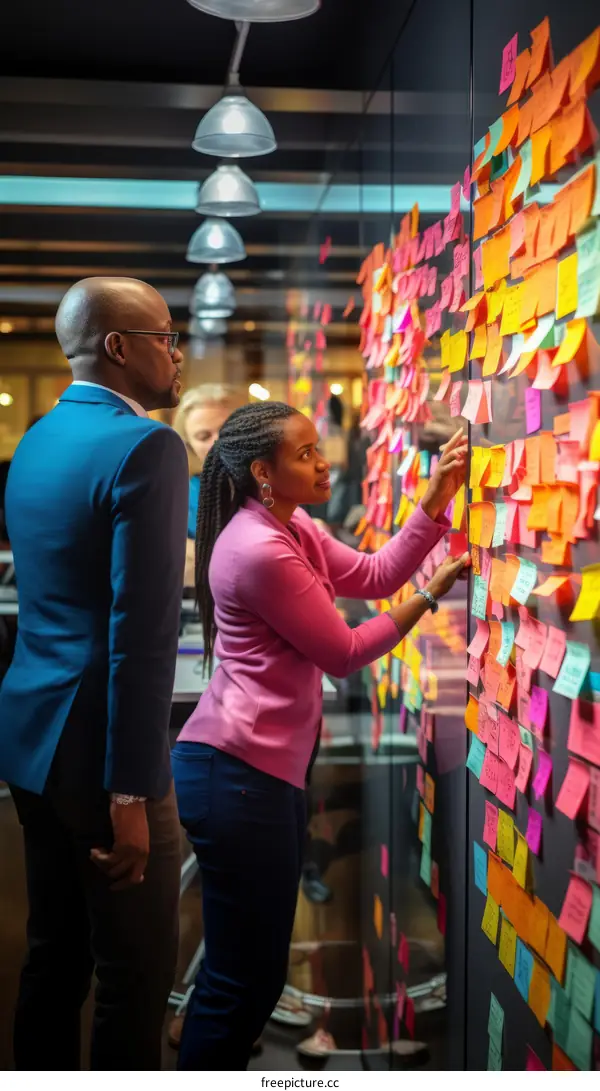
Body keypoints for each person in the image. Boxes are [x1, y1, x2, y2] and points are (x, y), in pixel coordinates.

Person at [171, 403, 469, 1070]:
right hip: (235, 777)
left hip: (251, 774)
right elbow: (343, 650)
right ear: (262, 472)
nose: (323, 460)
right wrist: (432, 594)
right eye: (305, 453)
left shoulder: (290, 524)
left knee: (242, 978)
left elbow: (373, 575)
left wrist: (433, 500)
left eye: (318, 446)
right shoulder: (258, 548)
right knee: (240, 987)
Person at [0, 276, 189, 1071]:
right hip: (104, 756)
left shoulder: (39, 436)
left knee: (54, 958)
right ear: (119, 346)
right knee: (135, 982)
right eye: (165, 334)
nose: (175, 352)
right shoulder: (147, 445)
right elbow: (140, 635)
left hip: (32, 737)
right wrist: (131, 793)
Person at [173, 384, 245, 589]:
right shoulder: (181, 495)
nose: (218, 442)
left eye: (226, 430)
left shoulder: (273, 484)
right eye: (204, 437)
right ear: (189, 445)